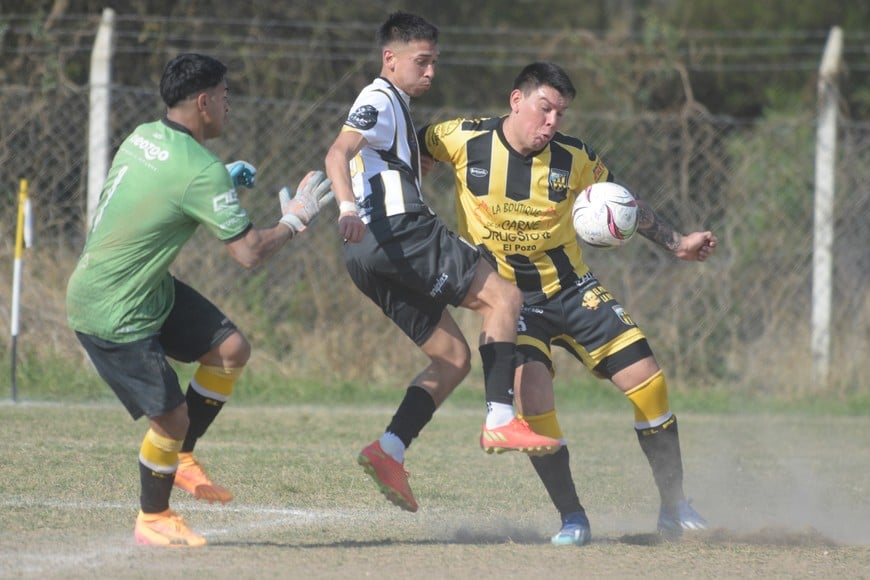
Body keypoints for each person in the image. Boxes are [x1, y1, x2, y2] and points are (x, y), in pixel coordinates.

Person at [418, 61, 716, 544]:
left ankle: (674, 505)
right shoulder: (461, 138)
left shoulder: (575, 157)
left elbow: (625, 203)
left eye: (561, 112)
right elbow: (410, 140)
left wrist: (677, 242)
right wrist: (415, 160)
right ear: (517, 100)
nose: (552, 121)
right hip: (508, 302)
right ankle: (573, 518)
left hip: (574, 289)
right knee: (533, 399)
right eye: (545, 108)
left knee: (649, 382)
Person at [66, 53, 333, 547]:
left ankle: (182, 456)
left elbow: (153, 191)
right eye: (226, 95)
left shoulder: (144, 135)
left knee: (230, 350)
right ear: (205, 101)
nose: (231, 105)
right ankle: (154, 517)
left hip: (143, 289)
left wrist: (220, 180)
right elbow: (250, 253)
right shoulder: (199, 170)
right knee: (170, 417)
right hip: (112, 307)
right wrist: (295, 220)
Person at [324, 13, 560, 514]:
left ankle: (389, 450)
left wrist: (403, 166)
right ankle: (500, 416)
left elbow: (361, 159)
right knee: (505, 297)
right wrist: (345, 207)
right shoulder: (380, 98)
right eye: (421, 61)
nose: (430, 72)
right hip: (400, 232)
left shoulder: (396, 111)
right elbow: (337, 153)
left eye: (434, 62)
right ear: (391, 59)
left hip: (364, 256)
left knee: (452, 358)